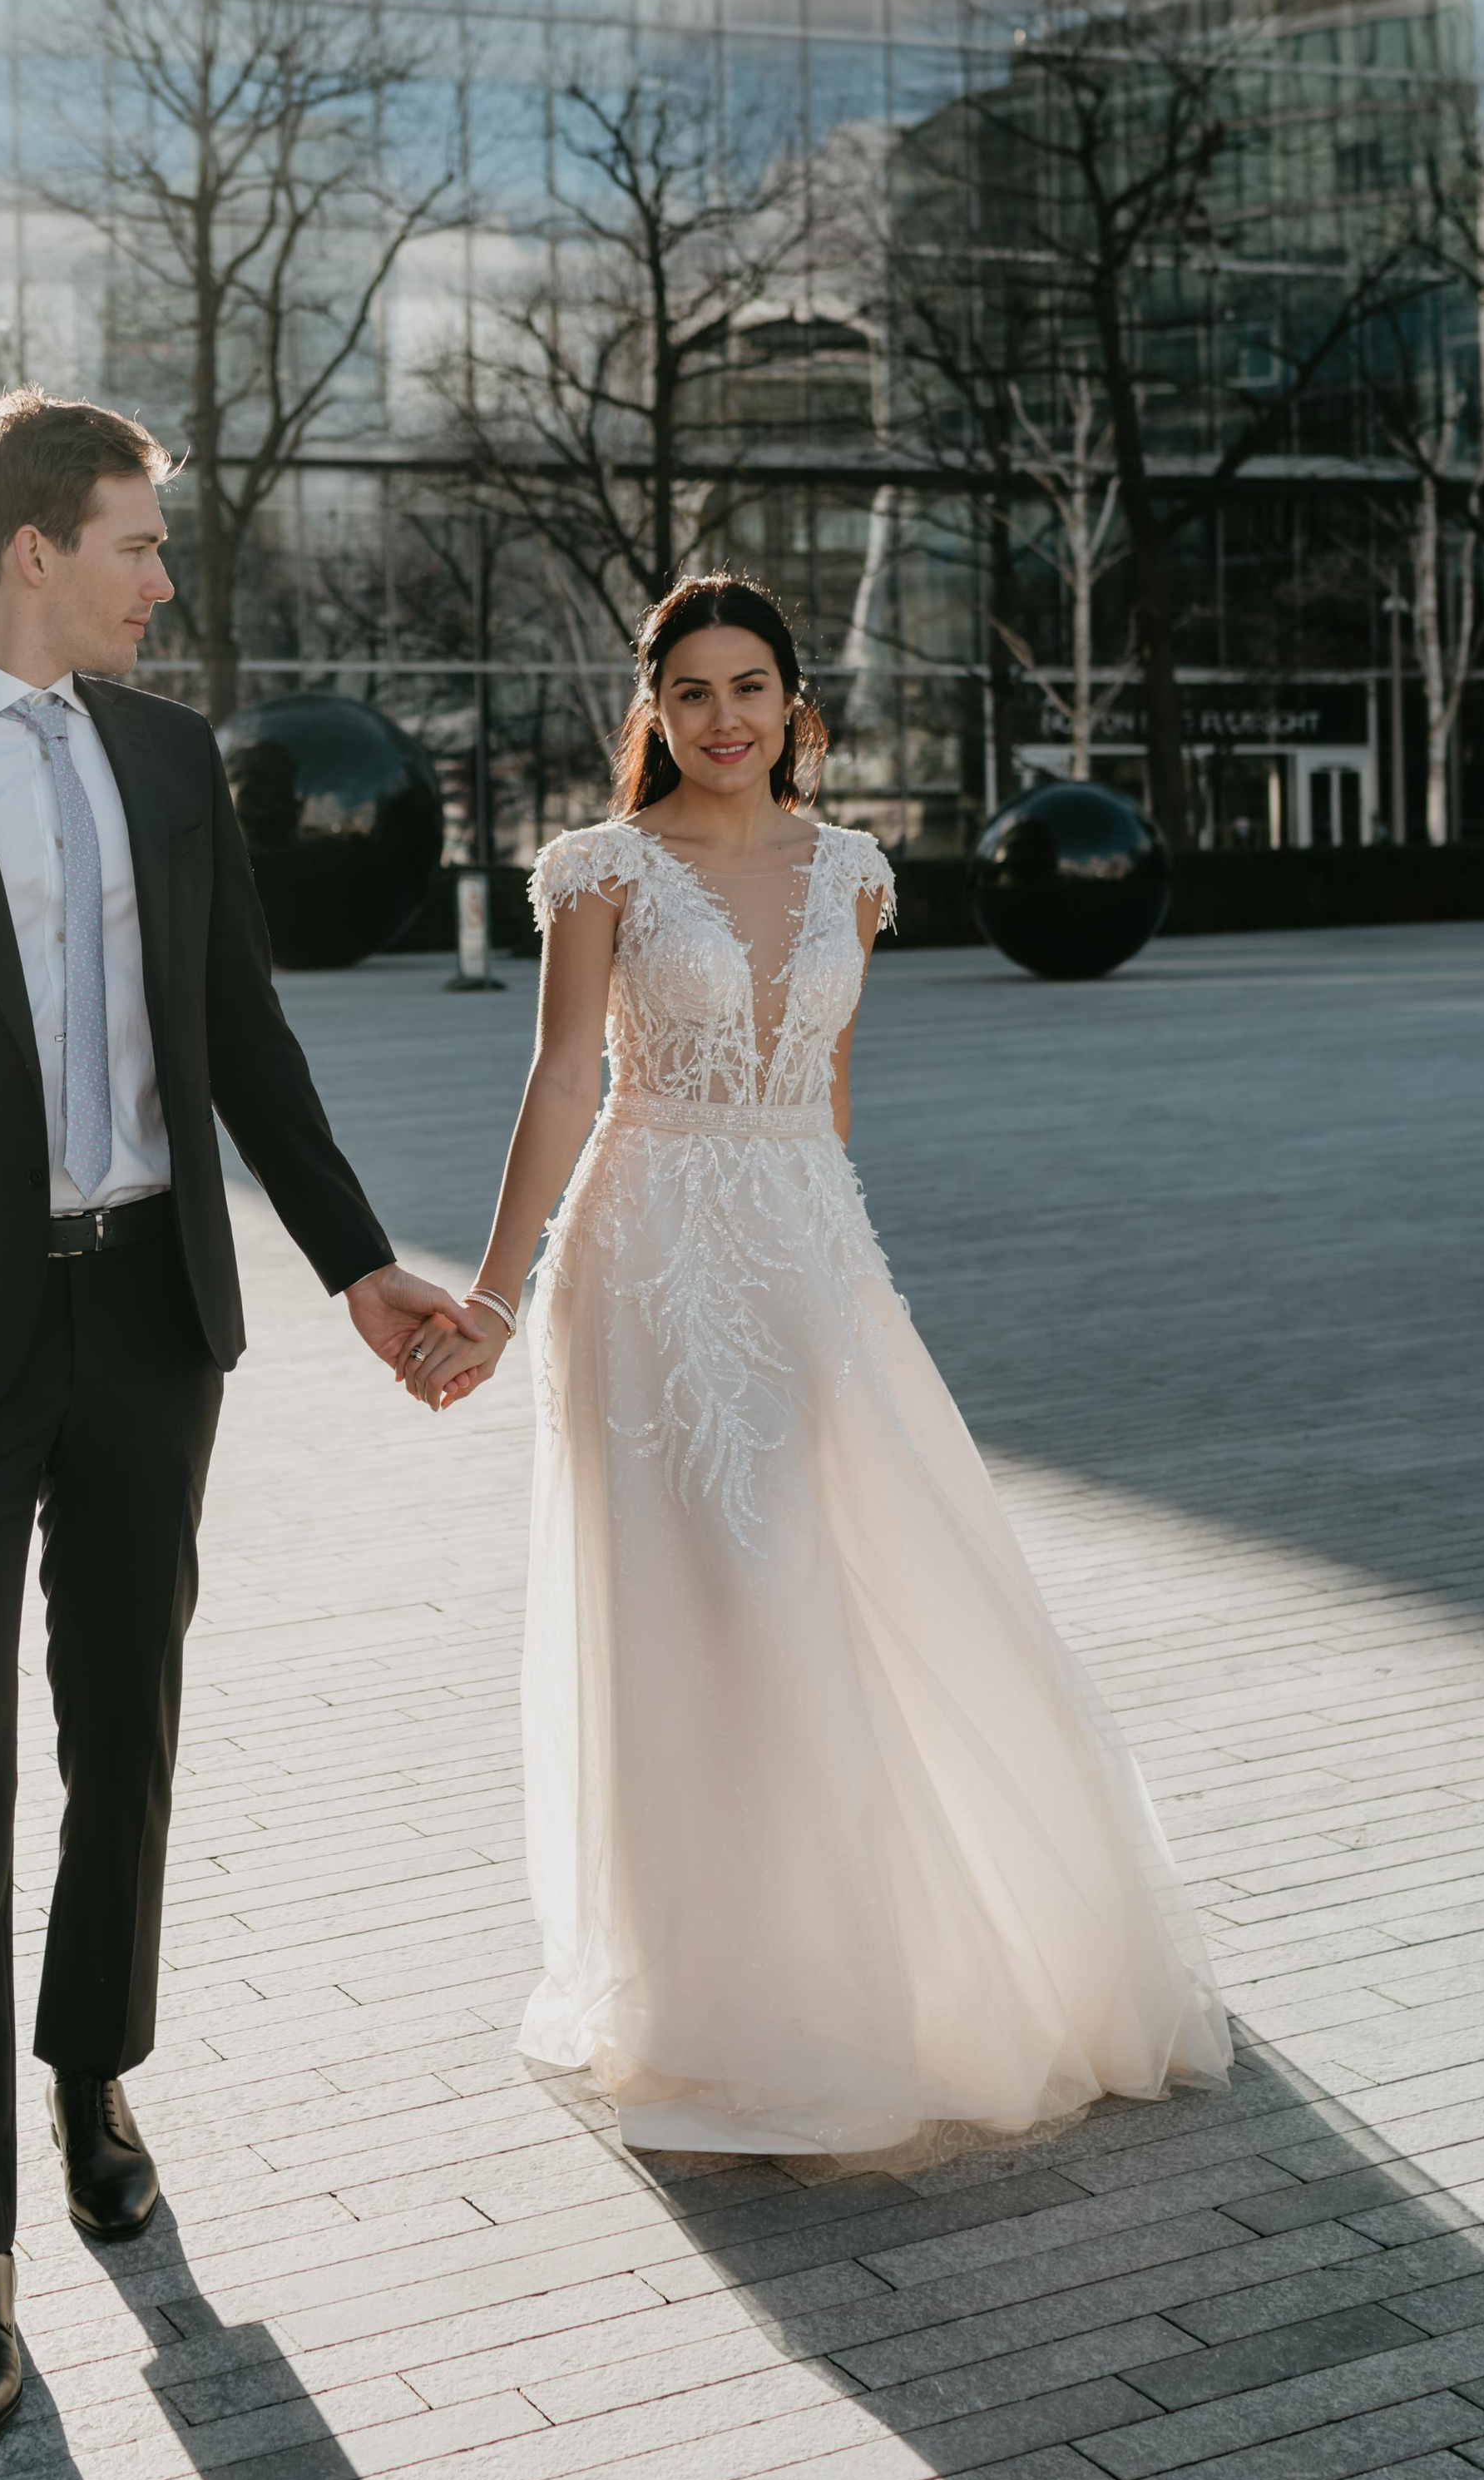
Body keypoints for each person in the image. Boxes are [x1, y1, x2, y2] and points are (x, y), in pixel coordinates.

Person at [0, 389, 480, 2438]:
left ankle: (91, 2069)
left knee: (124, 1744)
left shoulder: (166, 762)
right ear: (33, 548)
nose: (168, 578)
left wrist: (354, 1263)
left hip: (149, 1322)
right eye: (141, 542)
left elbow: (242, 1037)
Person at [403, 576, 1230, 2166]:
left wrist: (844, 1282)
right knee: (710, 1610)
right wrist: (498, 1300)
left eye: (753, 687)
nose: (727, 718)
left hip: (810, 1253)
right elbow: (564, 1079)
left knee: (868, 1585)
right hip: (646, 1263)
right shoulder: (603, 872)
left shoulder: (853, 871)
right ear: (656, 710)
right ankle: (734, 2006)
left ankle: (891, 1965)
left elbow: (832, 1095)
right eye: (696, 691)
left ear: (796, 704)